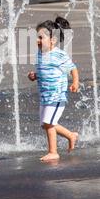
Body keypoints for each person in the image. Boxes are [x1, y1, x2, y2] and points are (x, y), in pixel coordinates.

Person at [27, 16, 80, 162]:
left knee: (49, 123)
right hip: (45, 95)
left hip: (56, 95)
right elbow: (45, 71)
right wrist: (35, 75)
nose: (38, 40)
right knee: (46, 124)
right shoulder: (40, 54)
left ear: (52, 40)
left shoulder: (59, 54)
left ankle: (53, 152)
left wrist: (75, 82)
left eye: (41, 37)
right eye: (37, 37)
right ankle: (71, 135)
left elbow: (73, 68)